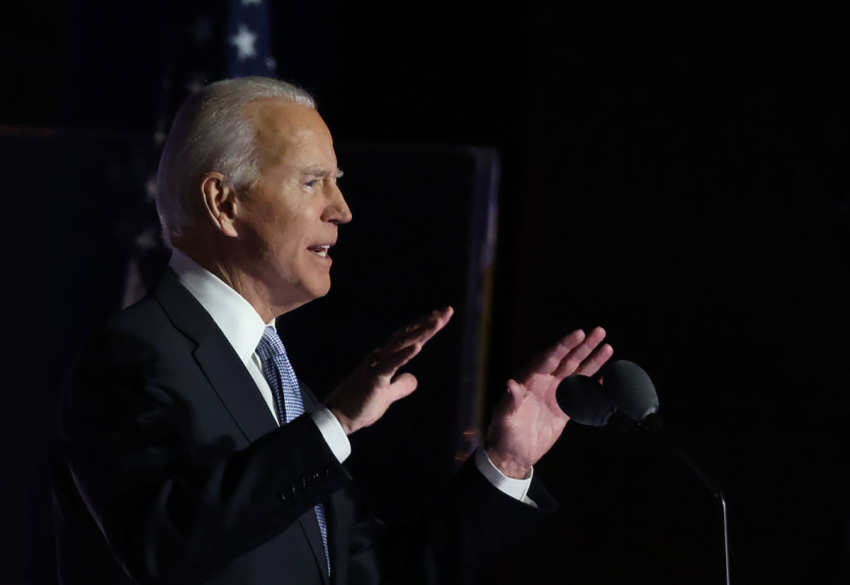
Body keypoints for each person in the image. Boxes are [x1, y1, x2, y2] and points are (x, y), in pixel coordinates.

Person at [49, 77, 613, 585]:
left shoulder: (279, 381)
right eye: (313, 182)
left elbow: (379, 574)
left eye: (336, 183)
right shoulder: (132, 355)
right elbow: (162, 550)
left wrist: (505, 464)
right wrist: (335, 423)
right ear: (223, 203)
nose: (341, 209)